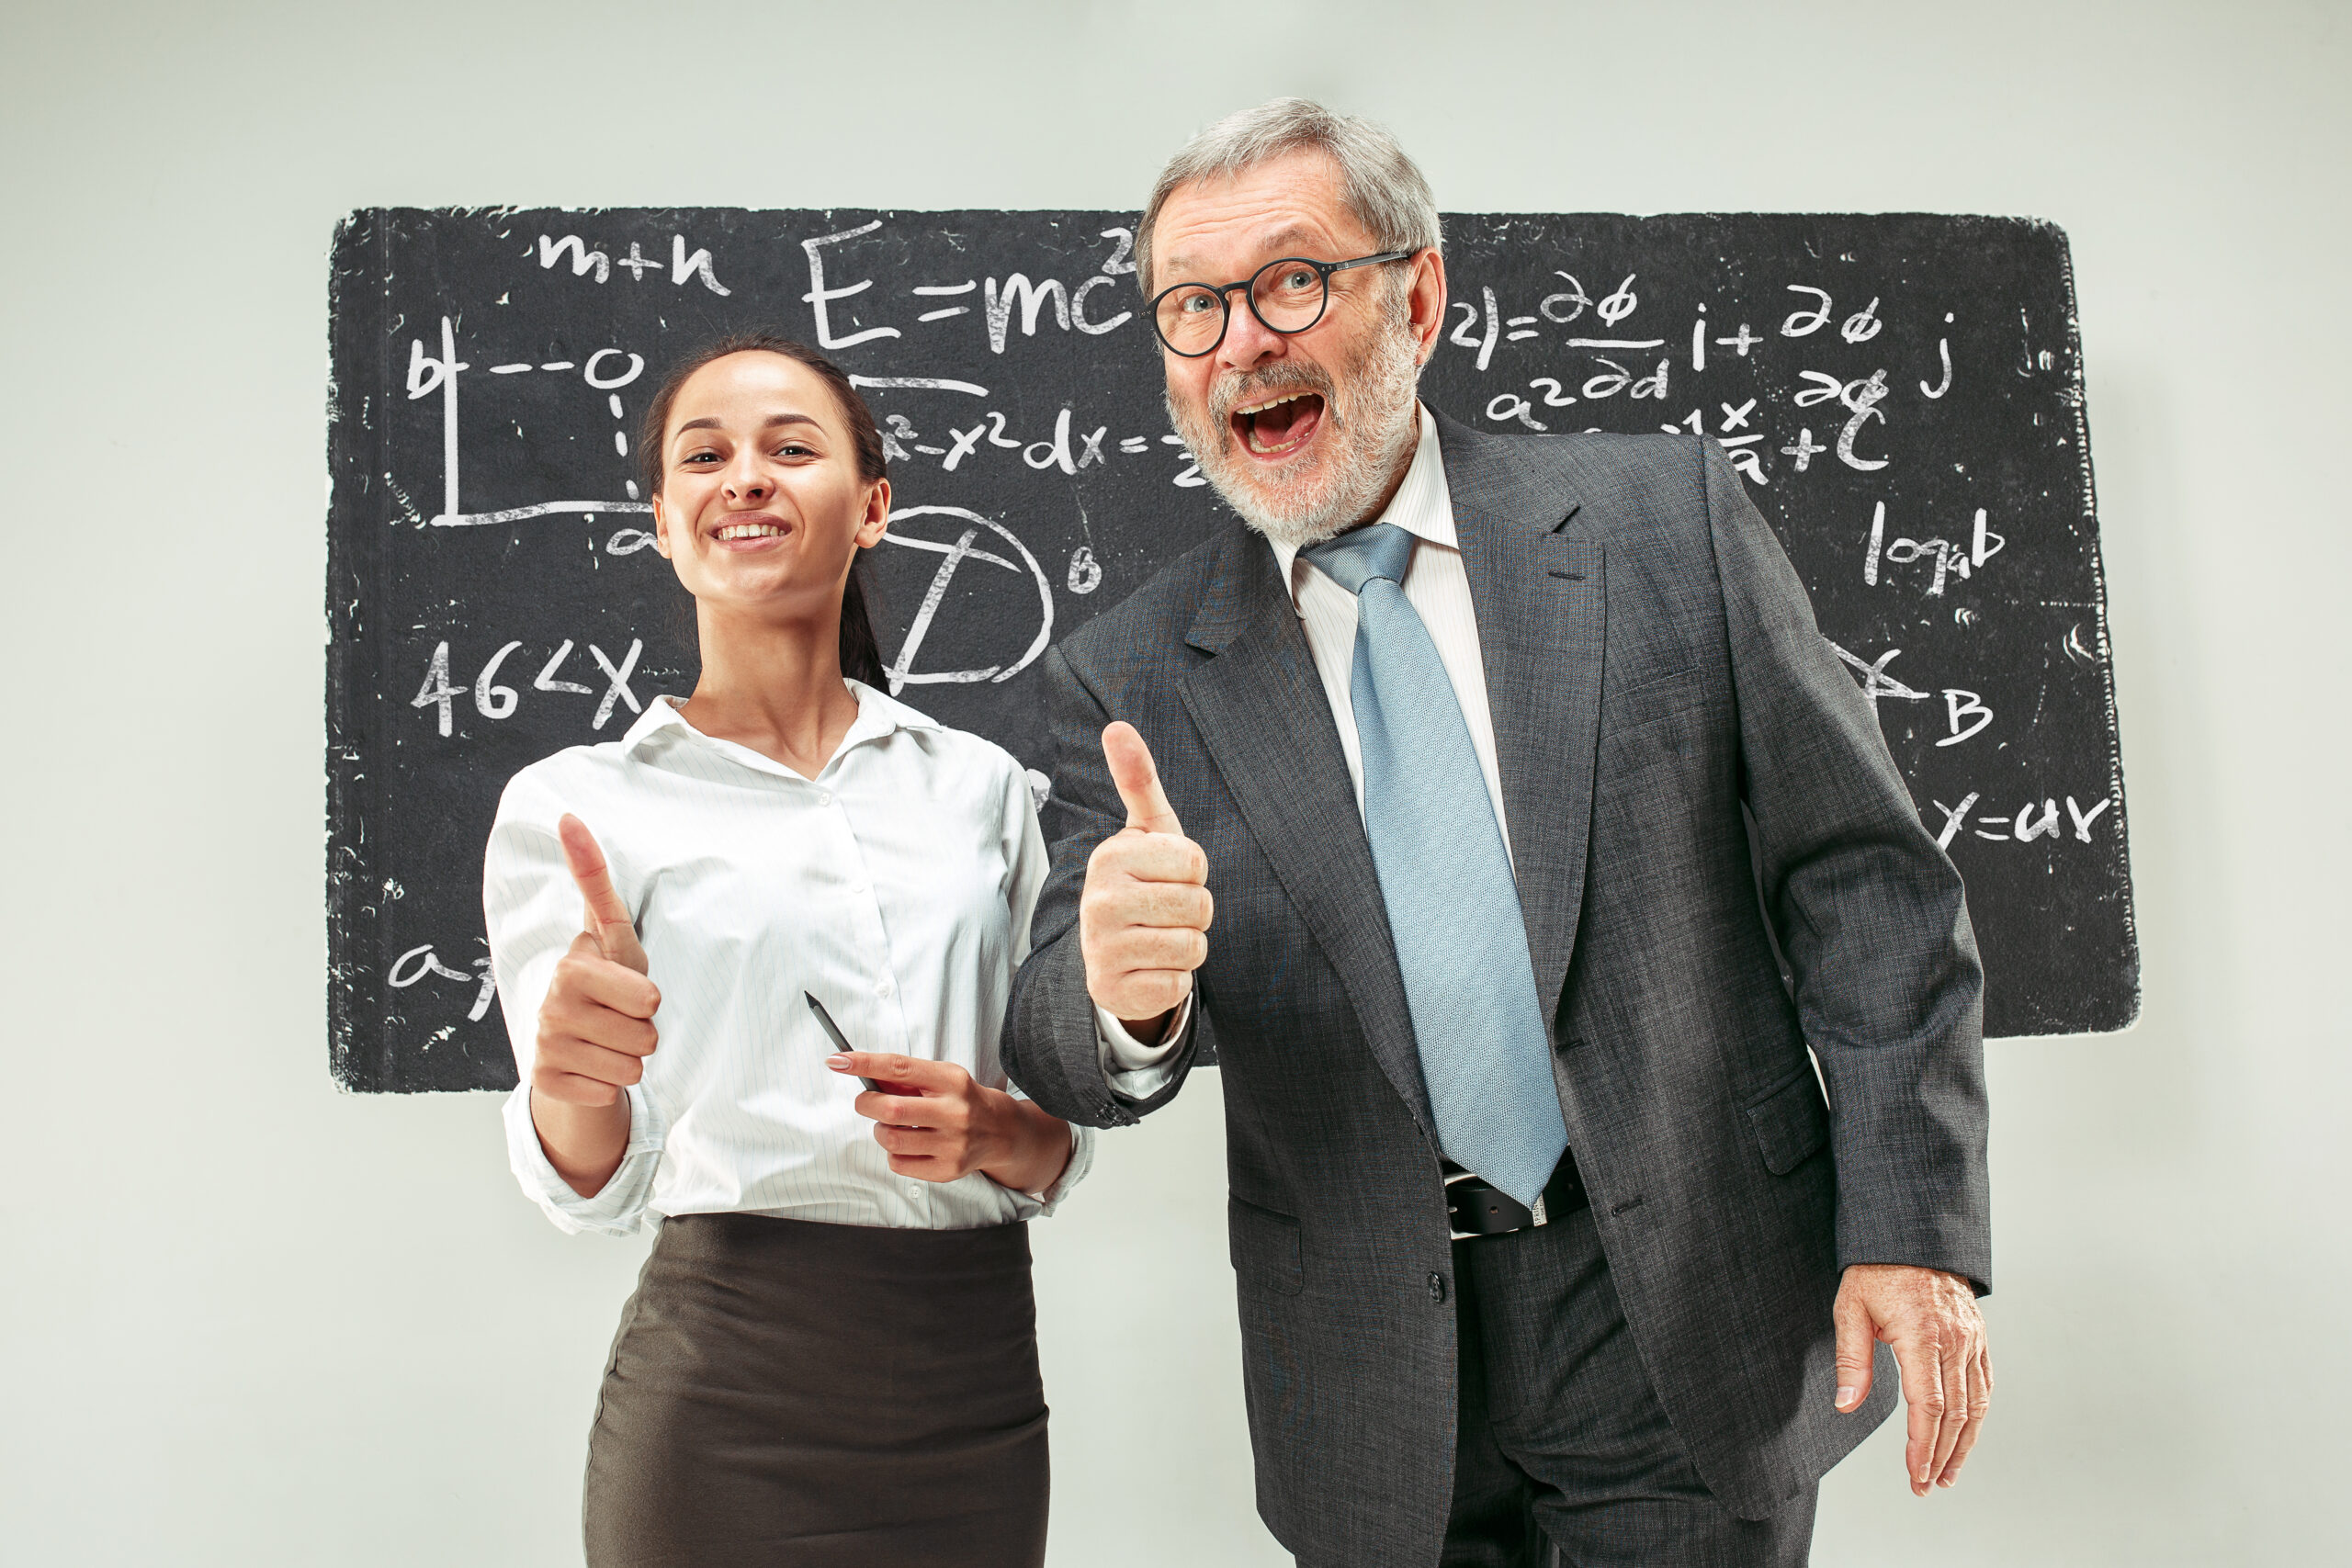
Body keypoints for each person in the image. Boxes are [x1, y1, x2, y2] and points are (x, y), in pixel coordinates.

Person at [1001, 100, 1993, 1567]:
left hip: (1686, 1313)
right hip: (1367, 1376)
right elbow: (1054, 1036)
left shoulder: (1667, 523)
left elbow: (1865, 885)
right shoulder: (1128, 674)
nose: (1243, 345)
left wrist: (1909, 1224)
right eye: (1192, 311)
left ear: (1418, 295)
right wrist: (1117, 997)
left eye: (1290, 282)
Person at [483, 333, 1087, 1568]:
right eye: (705, 456)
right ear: (664, 521)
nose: (744, 477)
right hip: (727, 1387)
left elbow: (1054, 1139)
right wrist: (571, 1080)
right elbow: (593, 1185)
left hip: (973, 1379)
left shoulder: (979, 789)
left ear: (871, 509)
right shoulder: (576, 807)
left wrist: (989, 1129)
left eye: (789, 449)